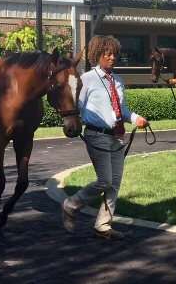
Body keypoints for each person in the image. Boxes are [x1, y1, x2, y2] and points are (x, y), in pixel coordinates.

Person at [60, 35, 149, 239]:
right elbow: (76, 105)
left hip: (116, 135)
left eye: (114, 54)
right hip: (96, 134)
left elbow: (121, 109)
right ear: (97, 55)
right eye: (107, 54)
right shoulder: (86, 79)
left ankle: (103, 224)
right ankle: (71, 204)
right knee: (104, 180)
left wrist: (135, 118)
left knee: (115, 182)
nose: (112, 58)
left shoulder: (117, 80)